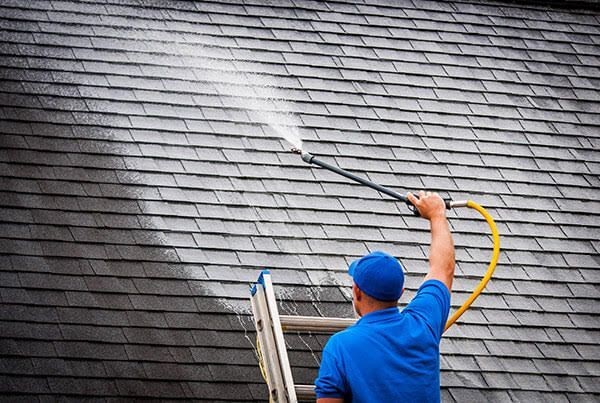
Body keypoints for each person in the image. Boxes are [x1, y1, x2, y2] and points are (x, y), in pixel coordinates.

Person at [314, 191, 455, 403]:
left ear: (357, 292)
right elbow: (444, 268)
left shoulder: (341, 347)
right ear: (400, 292)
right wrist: (437, 214)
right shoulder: (423, 325)